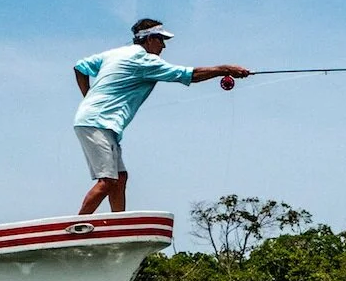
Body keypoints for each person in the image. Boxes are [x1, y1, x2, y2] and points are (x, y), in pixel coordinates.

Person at [72, 19, 250, 213]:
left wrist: (88, 98)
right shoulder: (144, 61)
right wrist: (225, 69)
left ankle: (119, 222)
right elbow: (191, 75)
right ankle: (75, 228)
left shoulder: (116, 53)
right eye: (161, 40)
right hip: (97, 122)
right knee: (107, 180)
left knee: (120, 178)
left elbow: (80, 67)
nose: (164, 46)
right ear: (149, 39)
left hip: (99, 122)